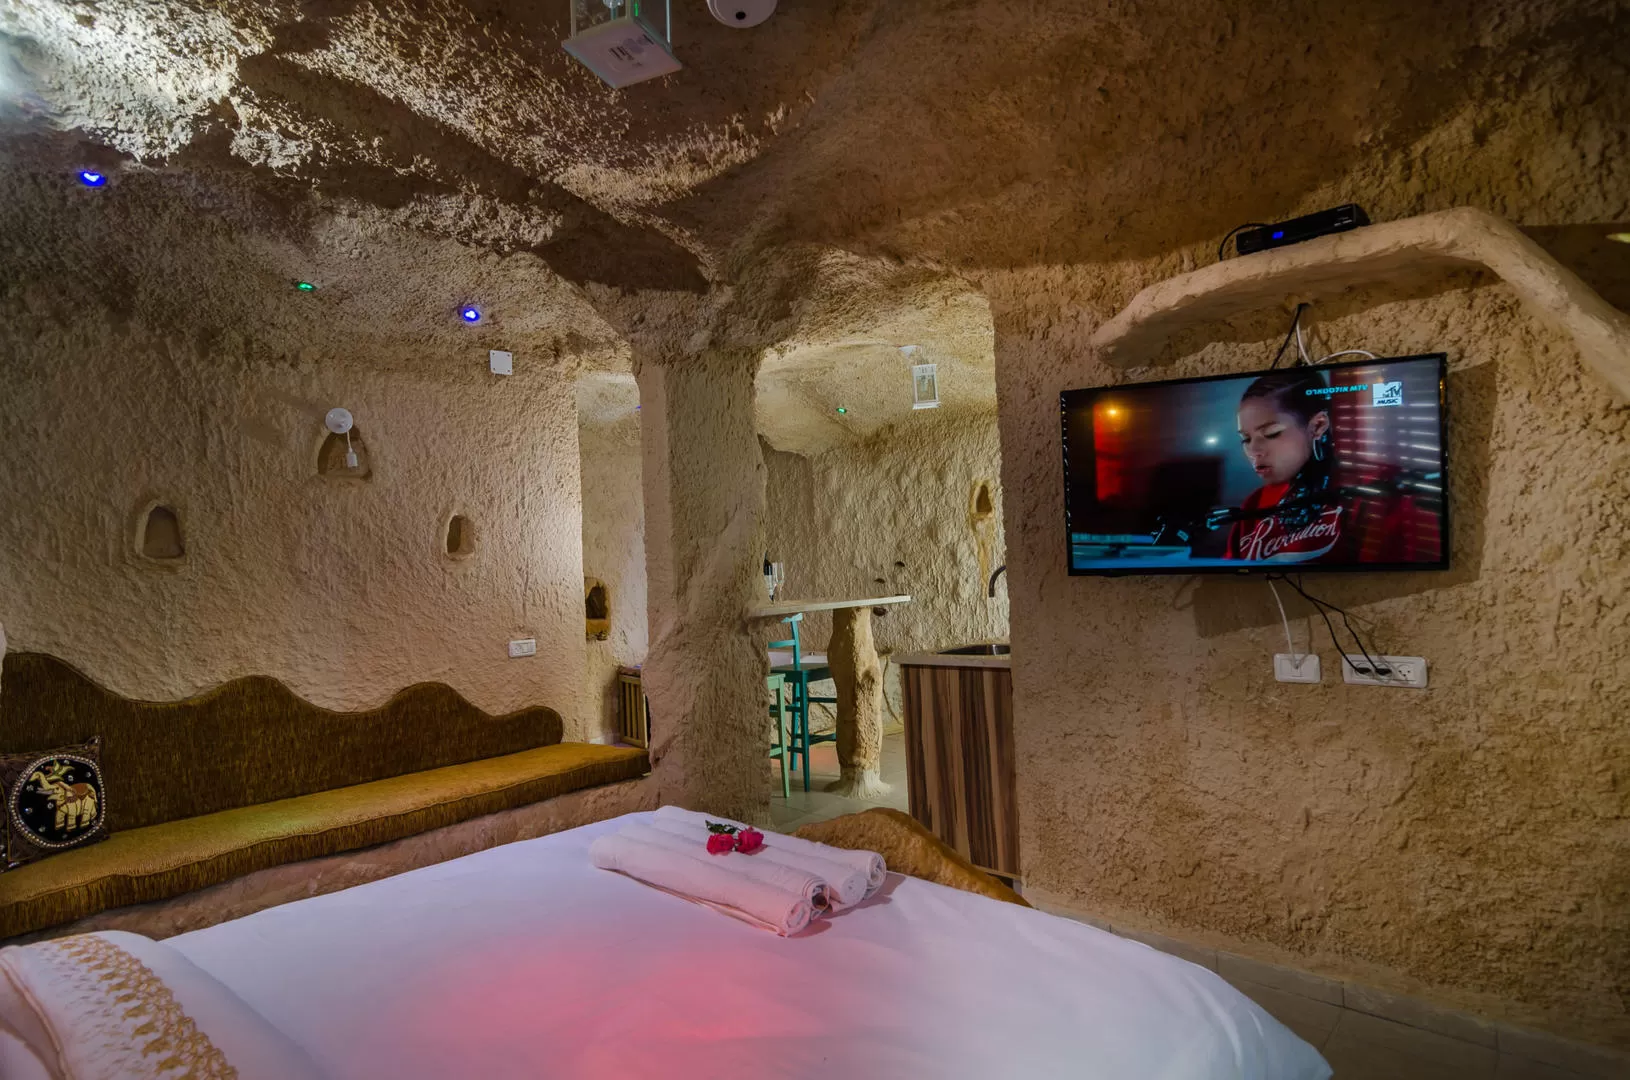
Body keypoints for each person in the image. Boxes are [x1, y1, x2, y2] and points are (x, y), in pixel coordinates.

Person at [1223, 368, 1439, 564]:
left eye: (1271, 433)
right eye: (1245, 439)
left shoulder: (1375, 490)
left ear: (1318, 426)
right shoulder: (1254, 504)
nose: (1254, 450)